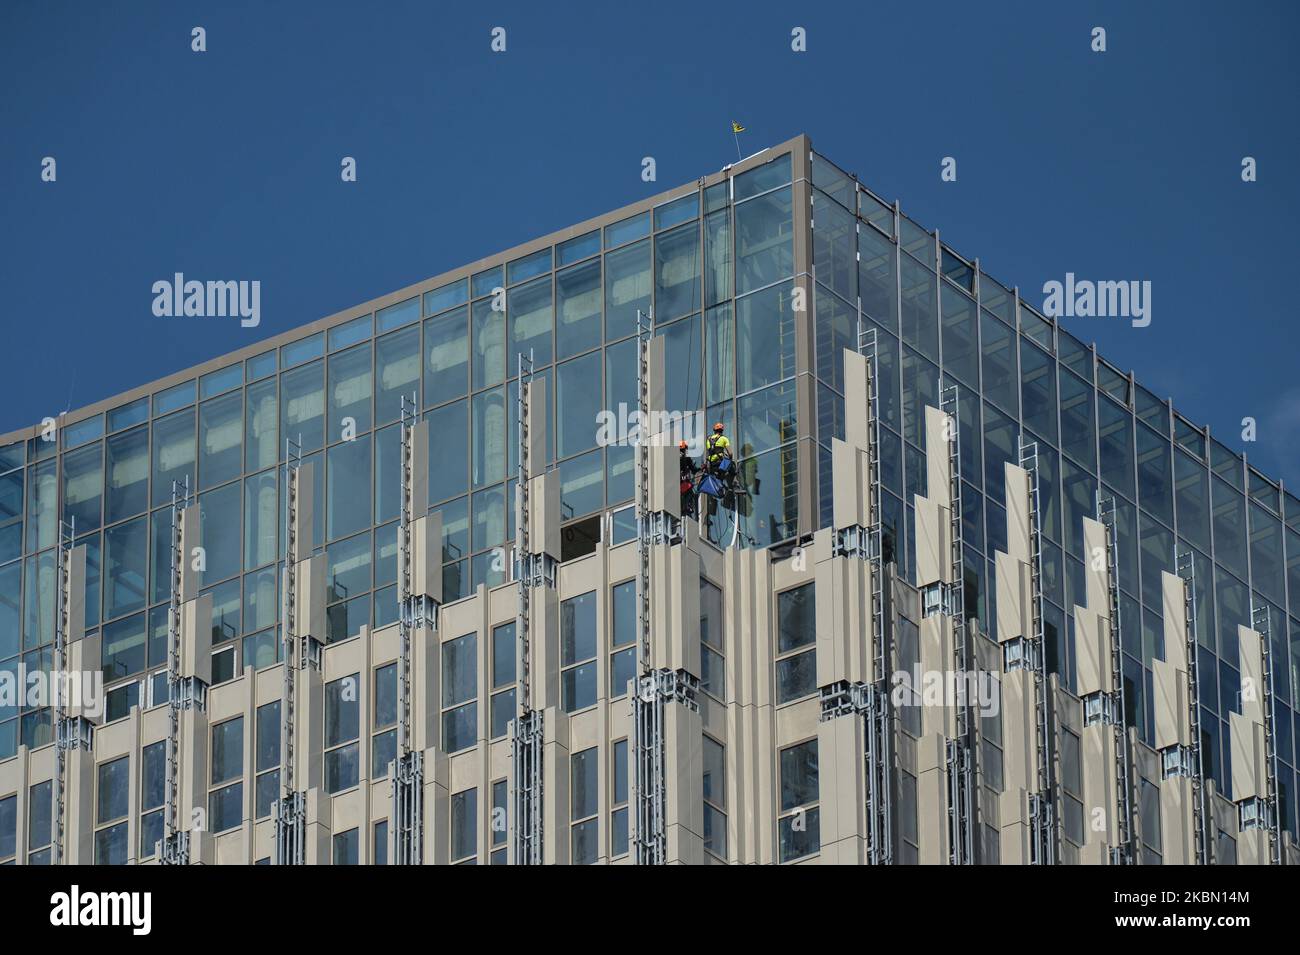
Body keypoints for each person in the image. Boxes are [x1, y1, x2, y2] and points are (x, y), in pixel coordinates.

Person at [679, 440, 698, 517]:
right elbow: (693, 469)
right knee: (689, 493)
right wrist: (700, 469)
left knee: (683, 495)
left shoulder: (674, 457)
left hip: (677, 482)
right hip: (683, 482)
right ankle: (687, 507)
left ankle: (683, 508)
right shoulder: (685, 457)